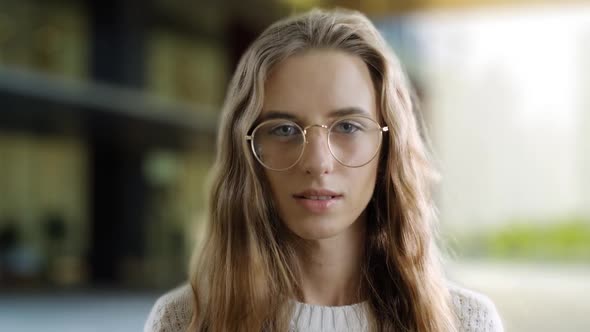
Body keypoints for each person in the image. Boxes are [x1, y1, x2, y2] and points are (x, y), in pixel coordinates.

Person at [144, 8, 503, 332]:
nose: (317, 162)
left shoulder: (466, 323)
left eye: (347, 126)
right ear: (248, 150)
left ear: (388, 149)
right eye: (284, 129)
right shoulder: (183, 322)